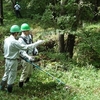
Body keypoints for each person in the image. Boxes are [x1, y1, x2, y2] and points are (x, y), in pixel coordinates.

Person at [0, 25, 44, 93]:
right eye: (18, 33)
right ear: (15, 33)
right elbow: (26, 47)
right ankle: (9, 92)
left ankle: (1, 88)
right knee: (12, 76)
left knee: (6, 74)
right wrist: (37, 43)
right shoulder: (14, 42)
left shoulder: (6, 39)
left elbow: (16, 50)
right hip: (12, 61)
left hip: (7, 59)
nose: (18, 34)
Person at [18, 23, 38, 88]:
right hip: (25, 57)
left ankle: (27, 82)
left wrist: (35, 49)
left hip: (31, 54)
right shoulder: (20, 40)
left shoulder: (29, 36)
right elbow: (21, 51)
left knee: (30, 70)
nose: (28, 31)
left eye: (28, 30)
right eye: (27, 31)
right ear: (23, 31)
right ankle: (21, 83)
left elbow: (32, 43)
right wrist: (27, 57)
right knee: (26, 71)